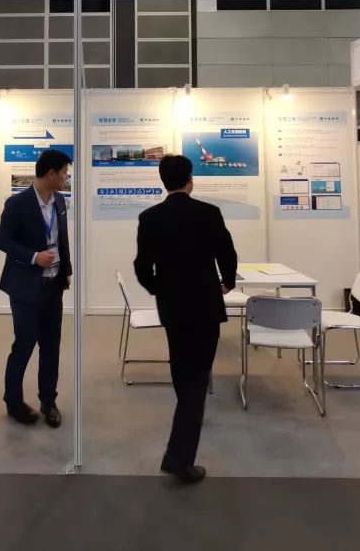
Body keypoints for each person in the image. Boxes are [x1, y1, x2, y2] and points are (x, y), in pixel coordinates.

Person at [134, 154, 237, 484]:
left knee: (181, 367)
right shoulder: (209, 213)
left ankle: (186, 420)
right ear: (190, 180)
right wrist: (228, 282)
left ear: (163, 181)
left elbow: (141, 266)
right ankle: (179, 458)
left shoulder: (150, 217)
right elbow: (227, 253)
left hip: (173, 307)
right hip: (205, 304)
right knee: (198, 377)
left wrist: (158, 289)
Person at [0, 148, 72, 428]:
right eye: (64, 173)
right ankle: (14, 402)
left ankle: (48, 401)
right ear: (51, 173)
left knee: (51, 346)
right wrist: (34, 257)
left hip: (53, 286)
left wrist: (66, 270)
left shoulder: (60, 201)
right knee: (25, 343)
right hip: (25, 287)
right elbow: (3, 241)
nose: (66, 178)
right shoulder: (17, 204)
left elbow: (61, 239)